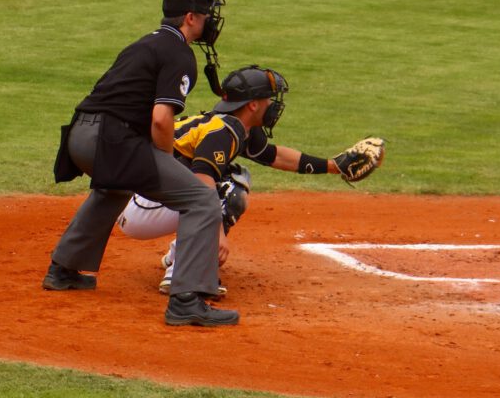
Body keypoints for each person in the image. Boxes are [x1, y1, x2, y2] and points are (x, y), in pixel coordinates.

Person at [46, 0, 240, 327]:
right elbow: (162, 120)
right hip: (110, 140)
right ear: (190, 18)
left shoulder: (146, 43)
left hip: (80, 136)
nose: (210, 22)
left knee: (115, 185)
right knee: (201, 198)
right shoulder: (179, 53)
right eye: (207, 15)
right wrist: (165, 160)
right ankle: (187, 300)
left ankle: (63, 269)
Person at [116, 65, 385, 294]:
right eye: (269, 99)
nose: (274, 105)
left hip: (144, 197)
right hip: (141, 206)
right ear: (253, 104)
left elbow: (274, 156)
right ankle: (182, 275)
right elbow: (202, 177)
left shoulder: (236, 125)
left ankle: (180, 257)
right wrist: (216, 230)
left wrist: (332, 166)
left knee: (232, 178)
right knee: (230, 188)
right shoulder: (225, 131)